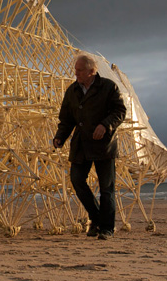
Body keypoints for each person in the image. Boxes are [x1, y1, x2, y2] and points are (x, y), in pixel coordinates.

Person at [53, 54, 126, 240]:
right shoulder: (72, 91)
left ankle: (107, 228)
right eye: (75, 69)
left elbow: (120, 111)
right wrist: (60, 137)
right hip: (81, 144)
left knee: (106, 188)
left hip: (104, 144)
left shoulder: (109, 87)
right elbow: (66, 119)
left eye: (79, 70)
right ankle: (96, 218)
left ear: (92, 71)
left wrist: (105, 125)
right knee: (77, 180)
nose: (75, 73)